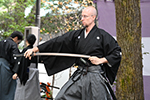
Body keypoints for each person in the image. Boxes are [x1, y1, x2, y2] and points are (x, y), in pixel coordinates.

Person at [24, 6, 122, 100]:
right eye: (82, 16)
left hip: (95, 75)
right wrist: (35, 49)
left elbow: (117, 53)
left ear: (93, 18)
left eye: (85, 16)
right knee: (61, 97)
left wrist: (101, 60)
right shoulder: (77, 35)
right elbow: (58, 41)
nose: (82, 19)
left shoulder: (102, 35)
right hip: (80, 74)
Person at [13, 34, 42, 100]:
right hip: (34, 72)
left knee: (23, 91)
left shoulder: (26, 50)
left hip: (26, 71)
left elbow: (22, 63)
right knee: (33, 90)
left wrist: (17, 73)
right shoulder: (35, 51)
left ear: (26, 41)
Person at [0, 31, 23, 100]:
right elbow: (17, 58)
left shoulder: (1, 42)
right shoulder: (13, 44)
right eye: (18, 41)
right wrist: (16, 71)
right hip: (5, 67)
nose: (18, 43)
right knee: (7, 87)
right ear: (16, 38)